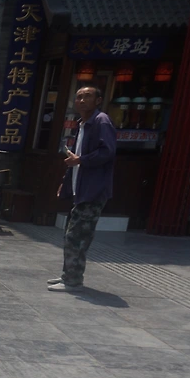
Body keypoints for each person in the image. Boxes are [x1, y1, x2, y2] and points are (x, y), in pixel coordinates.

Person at [52, 85, 116, 292]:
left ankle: (72, 280)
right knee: (72, 235)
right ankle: (69, 275)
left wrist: (81, 160)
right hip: (81, 189)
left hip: (93, 190)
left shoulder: (101, 121)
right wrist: (66, 181)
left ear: (98, 100)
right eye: (79, 97)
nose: (81, 100)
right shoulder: (82, 124)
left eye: (87, 96)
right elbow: (75, 158)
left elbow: (107, 152)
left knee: (77, 237)